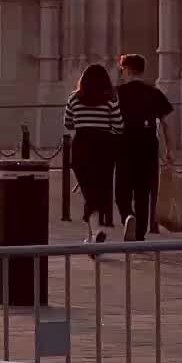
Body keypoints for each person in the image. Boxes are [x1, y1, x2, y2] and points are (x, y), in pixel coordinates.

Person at [115, 54, 174, 242]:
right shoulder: (154, 93)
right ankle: (139, 234)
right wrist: (169, 150)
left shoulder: (117, 93)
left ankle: (127, 216)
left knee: (122, 190)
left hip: (124, 145)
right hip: (148, 145)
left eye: (122, 69)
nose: (122, 73)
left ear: (129, 70)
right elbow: (166, 123)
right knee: (143, 192)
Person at [62, 63, 122, 243]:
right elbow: (119, 126)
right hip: (104, 147)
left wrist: (83, 121)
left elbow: (68, 123)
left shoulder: (74, 98)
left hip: (82, 145)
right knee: (99, 190)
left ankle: (93, 233)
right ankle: (94, 233)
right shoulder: (110, 100)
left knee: (88, 191)